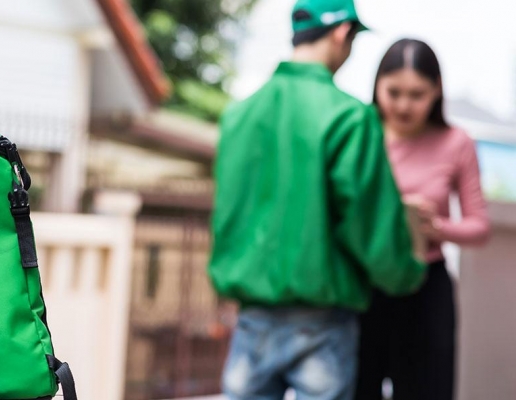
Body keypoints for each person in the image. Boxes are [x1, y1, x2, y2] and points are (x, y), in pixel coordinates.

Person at [209, 1, 428, 399]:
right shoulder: (348, 117)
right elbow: (369, 225)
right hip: (321, 324)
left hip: (252, 319)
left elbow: (227, 216)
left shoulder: (239, 116)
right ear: (342, 33)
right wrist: (408, 273)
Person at [355, 39, 491, 400]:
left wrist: (436, 228)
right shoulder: (360, 133)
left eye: (417, 94)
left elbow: (479, 225)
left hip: (426, 288)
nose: (403, 105)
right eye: (394, 92)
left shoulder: (456, 142)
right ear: (377, 85)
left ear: (437, 91)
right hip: (365, 286)